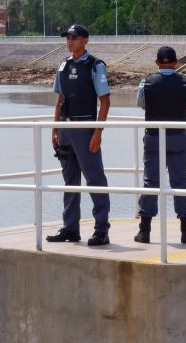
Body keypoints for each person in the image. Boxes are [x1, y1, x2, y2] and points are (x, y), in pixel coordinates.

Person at [46, 24, 112, 246]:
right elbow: (60, 99)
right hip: (66, 128)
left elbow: (105, 102)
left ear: (85, 40)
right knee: (70, 181)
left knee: (95, 178)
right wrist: (55, 128)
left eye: (74, 38)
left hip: (86, 128)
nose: (69, 41)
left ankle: (101, 230)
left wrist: (98, 132)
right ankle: (70, 228)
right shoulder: (63, 66)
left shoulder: (95, 66)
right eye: (67, 38)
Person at [135, 46, 186, 244]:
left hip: (153, 136)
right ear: (176, 62)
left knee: (150, 182)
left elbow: (141, 104)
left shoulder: (146, 82)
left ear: (157, 63)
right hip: (178, 135)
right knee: (180, 182)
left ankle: (144, 231)